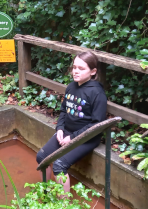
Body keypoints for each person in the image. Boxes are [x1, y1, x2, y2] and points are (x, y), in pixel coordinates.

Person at [36, 51, 107, 192]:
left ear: (93, 72)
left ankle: (63, 204)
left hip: (87, 137)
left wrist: (73, 138)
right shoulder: (71, 86)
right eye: (74, 67)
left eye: (81, 68)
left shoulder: (97, 93)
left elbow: (96, 125)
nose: (76, 71)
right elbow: (63, 111)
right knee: (42, 158)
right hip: (67, 131)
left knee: (59, 165)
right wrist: (60, 129)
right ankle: (45, 194)